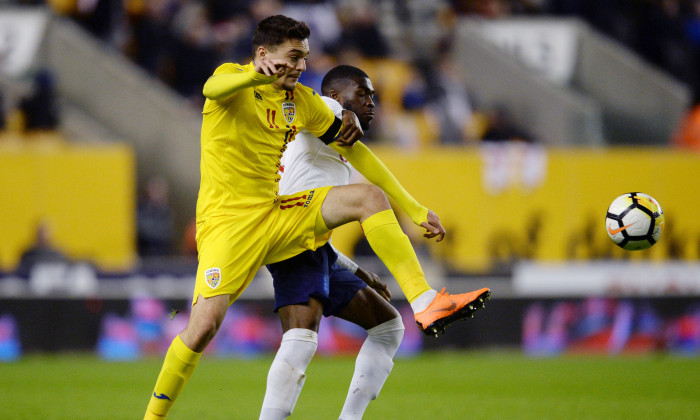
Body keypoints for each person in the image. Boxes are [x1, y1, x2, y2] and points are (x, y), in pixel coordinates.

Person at [143, 15, 489, 419]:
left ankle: (425, 301)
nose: (301, 66)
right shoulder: (233, 81)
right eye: (293, 56)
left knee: (368, 198)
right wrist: (255, 75)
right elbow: (211, 87)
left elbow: (357, 152)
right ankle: (153, 417)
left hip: (278, 213)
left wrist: (413, 208)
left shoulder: (301, 102)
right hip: (227, 224)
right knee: (202, 328)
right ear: (263, 54)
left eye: (305, 57)